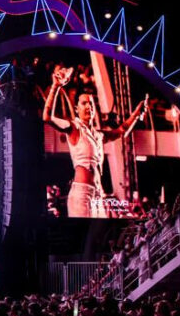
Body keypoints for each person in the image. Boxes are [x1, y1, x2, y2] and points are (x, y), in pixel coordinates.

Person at [42, 64, 147, 218]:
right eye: (84, 103)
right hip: (81, 194)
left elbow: (121, 131)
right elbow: (47, 117)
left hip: (98, 194)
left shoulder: (98, 135)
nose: (88, 106)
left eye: (91, 103)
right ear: (76, 109)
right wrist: (56, 86)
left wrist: (136, 114)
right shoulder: (74, 128)